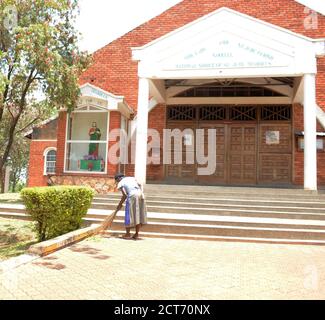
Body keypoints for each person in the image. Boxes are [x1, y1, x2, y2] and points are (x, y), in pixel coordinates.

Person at [114, 173, 147, 240]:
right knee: (138, 214)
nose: (117, 182)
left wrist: (120, 204)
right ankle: (136, 234)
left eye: (117, 180)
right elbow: (140, 184)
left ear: (119, 178)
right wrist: (141, 192)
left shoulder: (121, 182)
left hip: (132, 196)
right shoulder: (131, 178)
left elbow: (125, 195)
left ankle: (127, 234)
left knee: (128, 215)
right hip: (140, 194)